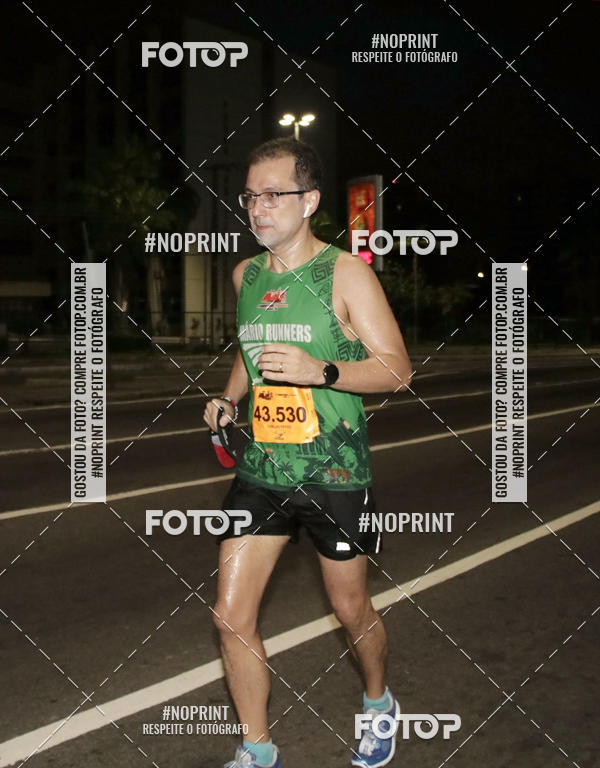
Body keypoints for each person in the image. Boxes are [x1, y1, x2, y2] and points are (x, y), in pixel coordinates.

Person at [203, 137, 412, 768]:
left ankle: (379, 703)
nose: (257, 208)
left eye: (274, 195)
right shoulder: (246, 275)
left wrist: (320, 370)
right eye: (249, 195)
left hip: (336, 471)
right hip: (264, 468)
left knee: (350, 608)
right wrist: (229, 397)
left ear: (311, 200)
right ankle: (257, 749)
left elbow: (397, 371)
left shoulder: (346, 274)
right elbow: (249, 349)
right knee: (229, 615)